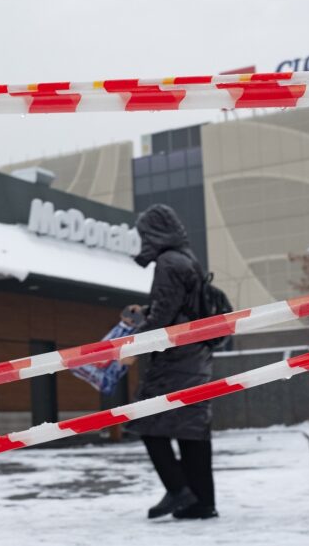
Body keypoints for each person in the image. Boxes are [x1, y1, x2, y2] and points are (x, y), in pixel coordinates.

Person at [125, 204, 218, 520]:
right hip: (196, 356)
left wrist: (134, 341)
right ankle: (202, 502)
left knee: (147, 422)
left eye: (144, 234)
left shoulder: (167, 263)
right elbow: (178, 308)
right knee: (192, 430)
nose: (142, 240)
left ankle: (178, 490)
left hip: (175, 360)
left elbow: (163, 319)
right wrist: (148, 312)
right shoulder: (187, 258)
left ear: (155, 232)